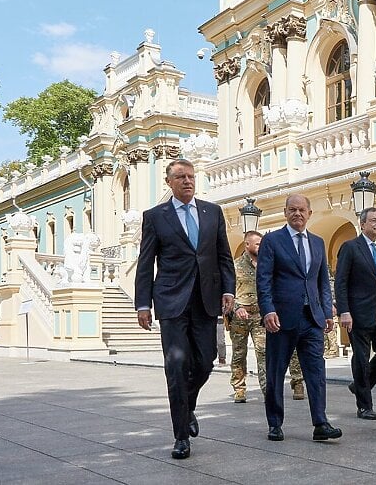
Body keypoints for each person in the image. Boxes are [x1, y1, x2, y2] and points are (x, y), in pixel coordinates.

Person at [135, 159, 235, 459]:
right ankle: (180, 436)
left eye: (191, 176)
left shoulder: (212, 212)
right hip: (171, 302)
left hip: (206, 300)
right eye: (181, 177)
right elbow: (145, 261)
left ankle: (186, 406)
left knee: (205, 363)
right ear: (169, 182)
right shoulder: (155, 216)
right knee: (177, 366)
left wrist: (228, 289)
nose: (188, 181)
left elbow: (223, 255)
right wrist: (143, 303)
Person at [256, 194, 342, 442]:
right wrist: (268, 310)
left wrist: (326, 312)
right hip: (281, 318)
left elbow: (322, 281)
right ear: (285, 213)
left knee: (316, 372)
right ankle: (275, 423)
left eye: (302, 210)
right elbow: (263, 279)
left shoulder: (317, 242)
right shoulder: (272, 241)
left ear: (309, 213)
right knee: (275, 371)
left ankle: (320, 423)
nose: (297, 214)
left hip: (312, 318)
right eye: (292, 210)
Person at [229, 230, 305, 403]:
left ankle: (268, 391)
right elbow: (228, 291)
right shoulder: (236, 266)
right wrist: (237, 307)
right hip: (240, 317)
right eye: (257, 244)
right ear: (246, 245)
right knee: (239, 354)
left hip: (261, 315)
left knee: (263, 353)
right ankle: (239, 388)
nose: (261, 247)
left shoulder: (269, 263)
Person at [336, 207, 376, 420]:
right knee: (361, 358)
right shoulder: (351, 247)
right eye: (373, 221)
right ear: (362, 224)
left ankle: (360, 385)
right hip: (358, 314)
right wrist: (344, 311)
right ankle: (364, 405)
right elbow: (341, 281)